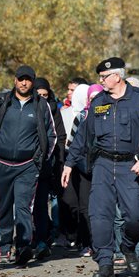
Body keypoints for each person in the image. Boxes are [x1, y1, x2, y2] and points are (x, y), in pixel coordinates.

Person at [61, 57, 139, 277]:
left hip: (130, 166)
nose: (101, 81)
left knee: (135, 216)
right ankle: (105, 263)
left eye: (104, 77)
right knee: (99, 216)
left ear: (118, 76)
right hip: (103, 165)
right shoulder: (98, 103)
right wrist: (68, 163)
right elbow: (83, 137)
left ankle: (128, 247)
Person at [0, 65, 57, 266]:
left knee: (24, 207)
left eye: (28, 79)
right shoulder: (1, 101)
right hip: (1, 164)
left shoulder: (41, 105)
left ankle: (23, 247)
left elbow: (51, 135)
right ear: (15, 80)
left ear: (32, 82)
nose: (24, 83)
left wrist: (39, 159)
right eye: (20, 79)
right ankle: (4, 245)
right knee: (4, 206)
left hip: (28, 166)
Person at [31, 77, 66, 260]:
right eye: (39, 95)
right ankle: (28, 238)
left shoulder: (54, 110)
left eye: (46, 95)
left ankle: (42, 240)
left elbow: (60, 136)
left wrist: (57, 162)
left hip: (48, 164)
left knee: (41, 205)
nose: (43, 98)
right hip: (27, 164)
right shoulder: (29, 108)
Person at [57, 84, 90, 249]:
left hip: (86, 164)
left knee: (86, 203)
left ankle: (85, 240)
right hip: (68, 162)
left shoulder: (91, 115)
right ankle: (70, 234)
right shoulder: (65, 113)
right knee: (69, 201)